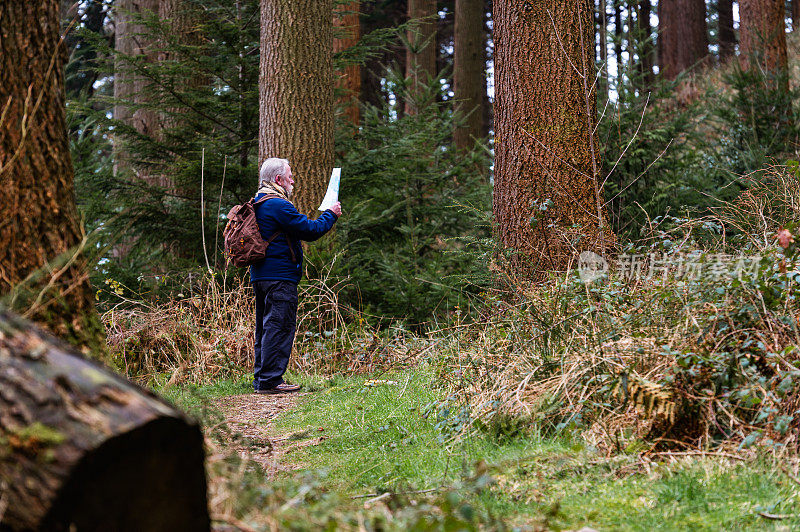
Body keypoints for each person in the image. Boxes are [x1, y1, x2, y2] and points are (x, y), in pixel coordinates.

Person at [250, 158, 341, 394]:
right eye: (290, 176)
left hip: (260, 276)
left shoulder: (258, 201)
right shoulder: (278, 205)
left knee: (265, 327)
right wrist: (331, 214)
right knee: (278, 327)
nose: (293, 180)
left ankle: (262, 378)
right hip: (280, 277)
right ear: (278, 179)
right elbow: (310, 230)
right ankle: (271, 381)